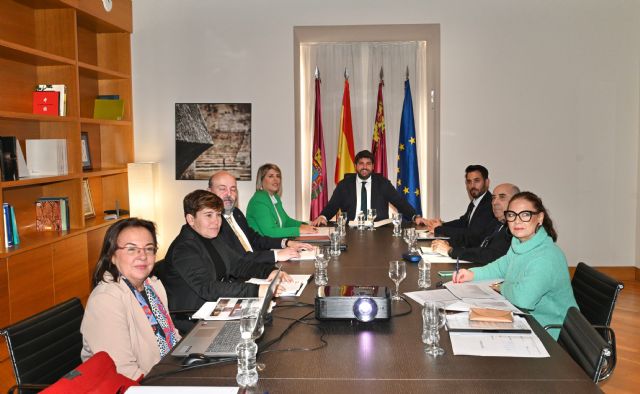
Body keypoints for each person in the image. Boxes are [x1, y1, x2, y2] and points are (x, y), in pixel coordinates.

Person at [453, 191, 577, 339]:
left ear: (540, 217)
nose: (517, 221)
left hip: (551, 334)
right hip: (527, 320)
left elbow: (524, 298)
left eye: (525, 214)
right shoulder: (519, 244)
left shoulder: (547, 257)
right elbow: (500, 267)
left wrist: (501, 286)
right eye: (511, 215)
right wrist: (472, 274)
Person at [163, 190, 290, 333]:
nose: (216, 221)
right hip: (193, 318)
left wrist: (269, 271)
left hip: (216, 306)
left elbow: (239, 264)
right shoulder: (184, 248)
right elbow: (208, 288)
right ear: (191, 219)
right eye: (208, 215)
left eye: (218, 215)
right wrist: (256, 290)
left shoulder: (213, 237)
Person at [80, 218, 180, 379]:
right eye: (131, 249)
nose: (142, 256)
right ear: (112, 255)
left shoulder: (152, 285)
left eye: (149, 249)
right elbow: (121, 371)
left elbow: (172, 338)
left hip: (168, 373)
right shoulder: (106, 300)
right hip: (139, 386)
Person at [208, 171, 312, 264]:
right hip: (240, 276)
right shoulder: (212, 224)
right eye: (222, 189)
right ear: (209, 191)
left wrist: (286, 243)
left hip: (256, 264)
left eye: (233, 189)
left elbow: (255, 239)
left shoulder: (236, 213)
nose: (229, 194)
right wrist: (276, 255)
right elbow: (237, 258)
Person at [310, 150, 426, 225]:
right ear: (355, 166)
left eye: (368, 164)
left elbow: (399, 202)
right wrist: (323, 216)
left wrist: (415, 216)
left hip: (379, 231)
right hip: (350, 230)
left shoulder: (383, 183)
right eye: (361, 163)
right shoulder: (344, 184)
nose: (364, 167)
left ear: (373, 166)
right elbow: (333, 205)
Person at [431, 183, 520, 264]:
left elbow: (490, 255)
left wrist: (451, 251)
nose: (495, 202)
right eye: (493, 198)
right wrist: (448, 243)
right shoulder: (495, 223)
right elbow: (475, 241)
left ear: (516, 201)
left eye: (502, 197)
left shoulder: (514, 229)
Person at [426, 165, 496, 247]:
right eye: (469, 182)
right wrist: (442, 225)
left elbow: (472, 234)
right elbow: (463, 222)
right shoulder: (476, 201)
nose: (472, 186)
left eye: (476, 181)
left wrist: (439, 229)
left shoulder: (489, 204)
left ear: (487, 182)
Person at [246, 163, 317, 237]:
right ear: (261, 180)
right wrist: (299, 230)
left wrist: (305, 225)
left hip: (275, 243)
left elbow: (286, 221)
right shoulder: (259, 201)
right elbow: (270, 232)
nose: (275, 179)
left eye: (278, 176)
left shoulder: (274, 197)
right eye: (271, 176)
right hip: (263, 247)